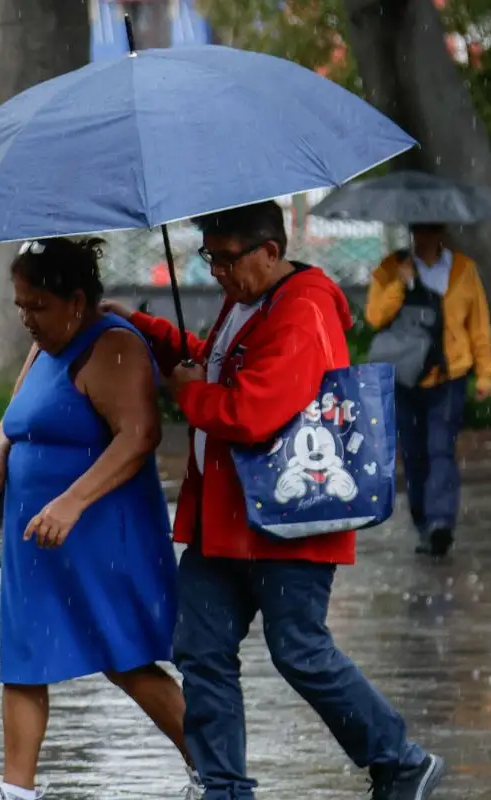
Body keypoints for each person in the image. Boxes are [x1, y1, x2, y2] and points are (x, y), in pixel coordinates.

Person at [102, 201, 446, 800]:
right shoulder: (249, 299)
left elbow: (253, 410)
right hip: (226, 519)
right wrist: (146, 329)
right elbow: (215, 365)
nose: (218, 271)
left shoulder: (303, 309)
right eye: (210, 257)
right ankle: (224, 788)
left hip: (290, 519)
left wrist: (190, 396)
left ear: (269, 250)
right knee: (201, 649)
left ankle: (400, 761)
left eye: (227, 258)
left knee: (299, 651)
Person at [0, 237, 196, 800]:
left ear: (75, 301)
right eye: (20, 305)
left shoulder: (114, 347)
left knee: (126, 658)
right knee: (24, 658)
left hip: (97, 531)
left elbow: (139, 436)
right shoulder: (45, 345)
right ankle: (15, 792)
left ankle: (214, 770)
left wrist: (71, 502)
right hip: (37, 539)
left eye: (37, 306)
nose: (27, 318)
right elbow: (18, 413)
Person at [365, 224, 491, 556]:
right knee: (413, 454)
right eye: (420, 229)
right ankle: (424, 523)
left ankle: (440, 523)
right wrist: (401, 283)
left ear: (442, 232)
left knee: (441, 449)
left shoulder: (463, 269)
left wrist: (485, 373)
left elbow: (478, 324)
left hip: (449, 374)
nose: (426, 236)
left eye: (433, 229)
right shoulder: (391, 267)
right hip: (405, 377)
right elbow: (375, 316)